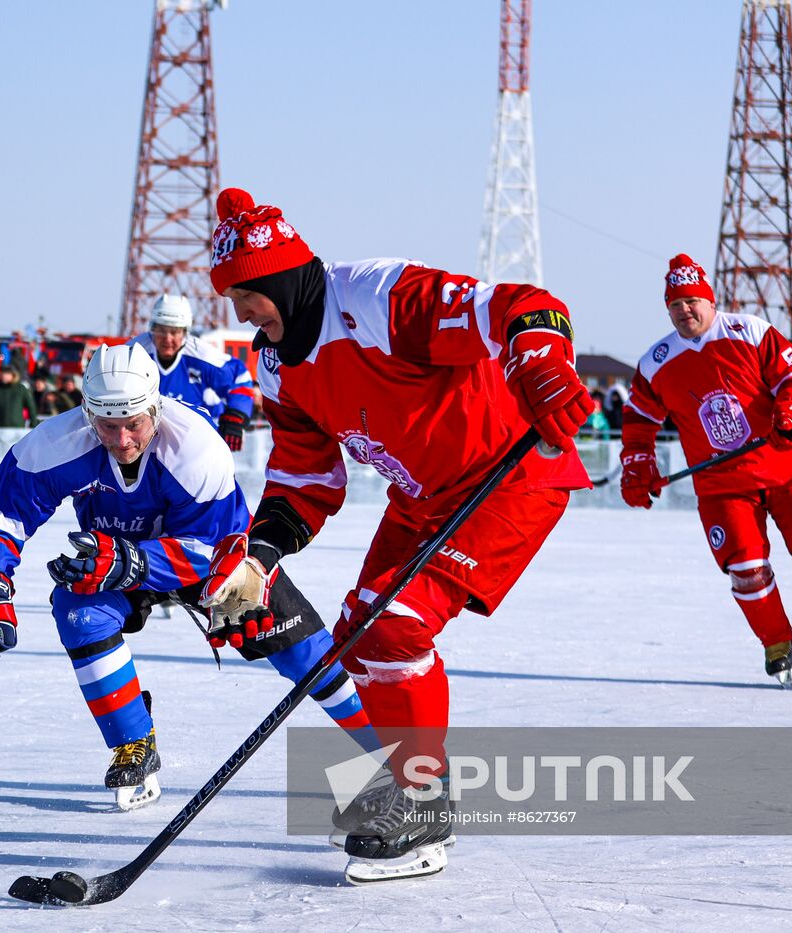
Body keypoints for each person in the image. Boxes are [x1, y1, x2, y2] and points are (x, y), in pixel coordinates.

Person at [195, 187, 593, 883]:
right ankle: (406, 778)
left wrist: (539, 361)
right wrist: (259, 559)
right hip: (422, 495)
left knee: (395, 627)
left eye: (245, 295)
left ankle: (423, 796)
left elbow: (522, 304)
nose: (242, 314)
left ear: (279, 279)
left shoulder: (375, 297)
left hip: (508, 474)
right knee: (358, 627)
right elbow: (304, 477)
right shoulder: (277, 368)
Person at [0, 344, 375, 810]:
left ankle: (389, 757)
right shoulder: (54, 443)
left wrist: (132, 561)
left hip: (218, 563)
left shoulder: (195, 447)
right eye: (108, 426)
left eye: (134, 423)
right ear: (86, 412)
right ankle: (133, 742)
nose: (122, 440)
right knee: (76, 609)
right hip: (114, 558)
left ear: (155, 409)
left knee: (304, 652)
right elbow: (0, 514)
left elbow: (209, 549)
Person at [619, 254, 792, 688]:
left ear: (710, 301)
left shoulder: (747, 331)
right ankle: (776, 643)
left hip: (788, 468)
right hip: (722, 486)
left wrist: (790, 409)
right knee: (747, 570)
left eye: (692, 301)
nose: (685, 311)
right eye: (675, 304)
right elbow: (639, 419)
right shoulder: (656, 361)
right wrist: (638, 464)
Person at [128, 294, 256, 451]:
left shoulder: (202, 355)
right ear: (152, 329)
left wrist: (235, 417)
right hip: (148, 444)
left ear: (185, 332)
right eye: (161, 330)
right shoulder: (133, 353)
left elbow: (239, 376)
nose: (168, 339)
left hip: (197, 443)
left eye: (174, 332)